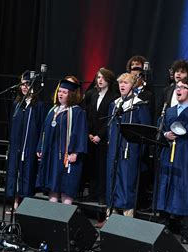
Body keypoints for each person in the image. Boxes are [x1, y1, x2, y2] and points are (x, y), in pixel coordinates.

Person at [156, 77, 188, 244]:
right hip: (168, 154)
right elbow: (160, 129)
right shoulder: (169, 111)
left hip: (185, 156)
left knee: (184, 190)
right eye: (177, 87)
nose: (178, 90)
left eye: (183, 87)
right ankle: (163, 226)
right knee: (165, 188)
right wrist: (165, 135)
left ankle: (186, 231)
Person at [105, 73, 151, 219]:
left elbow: (144, 131)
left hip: (130, 152)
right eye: (120, 83)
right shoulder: (115, 104)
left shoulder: (139, 105)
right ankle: (110, 215)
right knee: (112, 179)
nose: (122, 85)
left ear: (132, 85)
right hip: (114, 150)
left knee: (127, 183)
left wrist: (139, 153)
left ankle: (127, 217)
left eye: (125, 83)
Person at [36, 77, 88, 204]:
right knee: (52, 185)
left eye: (65, 92)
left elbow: (80, 132)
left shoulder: (77, 112)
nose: (61, 94)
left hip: (67, 156)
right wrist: (41, 147)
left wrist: (75, 152)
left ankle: (64, 217)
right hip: (52, 156)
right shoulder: (53, 110)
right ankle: (52, 218)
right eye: (60, 91)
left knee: (65, 186)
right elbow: (44, 130)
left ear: (71, 94)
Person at [5, 71, 47, 211]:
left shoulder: (38, 105)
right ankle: (15, 202)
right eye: (22, 84)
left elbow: (41, 127)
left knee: (27, 174)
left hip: (29, 146)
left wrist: (39, 147)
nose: (24, 87)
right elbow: (12, 126)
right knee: (15, 173)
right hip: (17, 145)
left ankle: (23, 204)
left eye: (27, 84)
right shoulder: (17, 104)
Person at [84, 68, 119, 205]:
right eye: (98, 77)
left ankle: (102, 196)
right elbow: (89, 115)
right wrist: (90, 133)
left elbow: (109, 120)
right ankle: (92, 194)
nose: (100, 80)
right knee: (92, 166)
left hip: (104, 138)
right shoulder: (92, 95)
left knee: (102, 167)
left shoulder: (114, 97)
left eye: (103, 78)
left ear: (109, 80)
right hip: (91, 136)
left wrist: (99, 135)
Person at [158, 59, 188, 124]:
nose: (178, 73)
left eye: (182, 72)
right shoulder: (167, 91)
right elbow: (159, 112)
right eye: (177, 71)